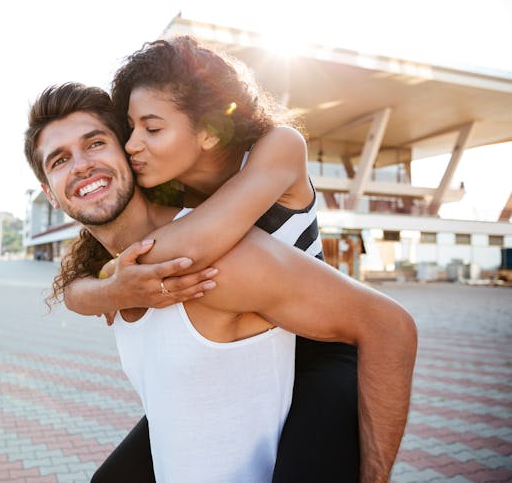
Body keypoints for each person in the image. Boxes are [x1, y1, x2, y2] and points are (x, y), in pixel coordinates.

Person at [23, 82, 417, 483]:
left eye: (95, 144)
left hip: (326, 361)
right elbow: (75, 287)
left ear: (128, 151)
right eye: (59, 161)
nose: (82, 165)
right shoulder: (113, 272)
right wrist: (107, 289)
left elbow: (389, 326)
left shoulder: (212, 260)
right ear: (49, 195)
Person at [60, 36, 358, 482]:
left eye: (151, 129)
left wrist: (110, 281)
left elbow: (190, 248)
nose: (133, 144)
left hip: (318, 351)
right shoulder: (170, 183)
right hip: (244, 360)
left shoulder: (278, 147)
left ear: (210, 130)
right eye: (130, 129)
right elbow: (73, 282)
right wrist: (102, 290)